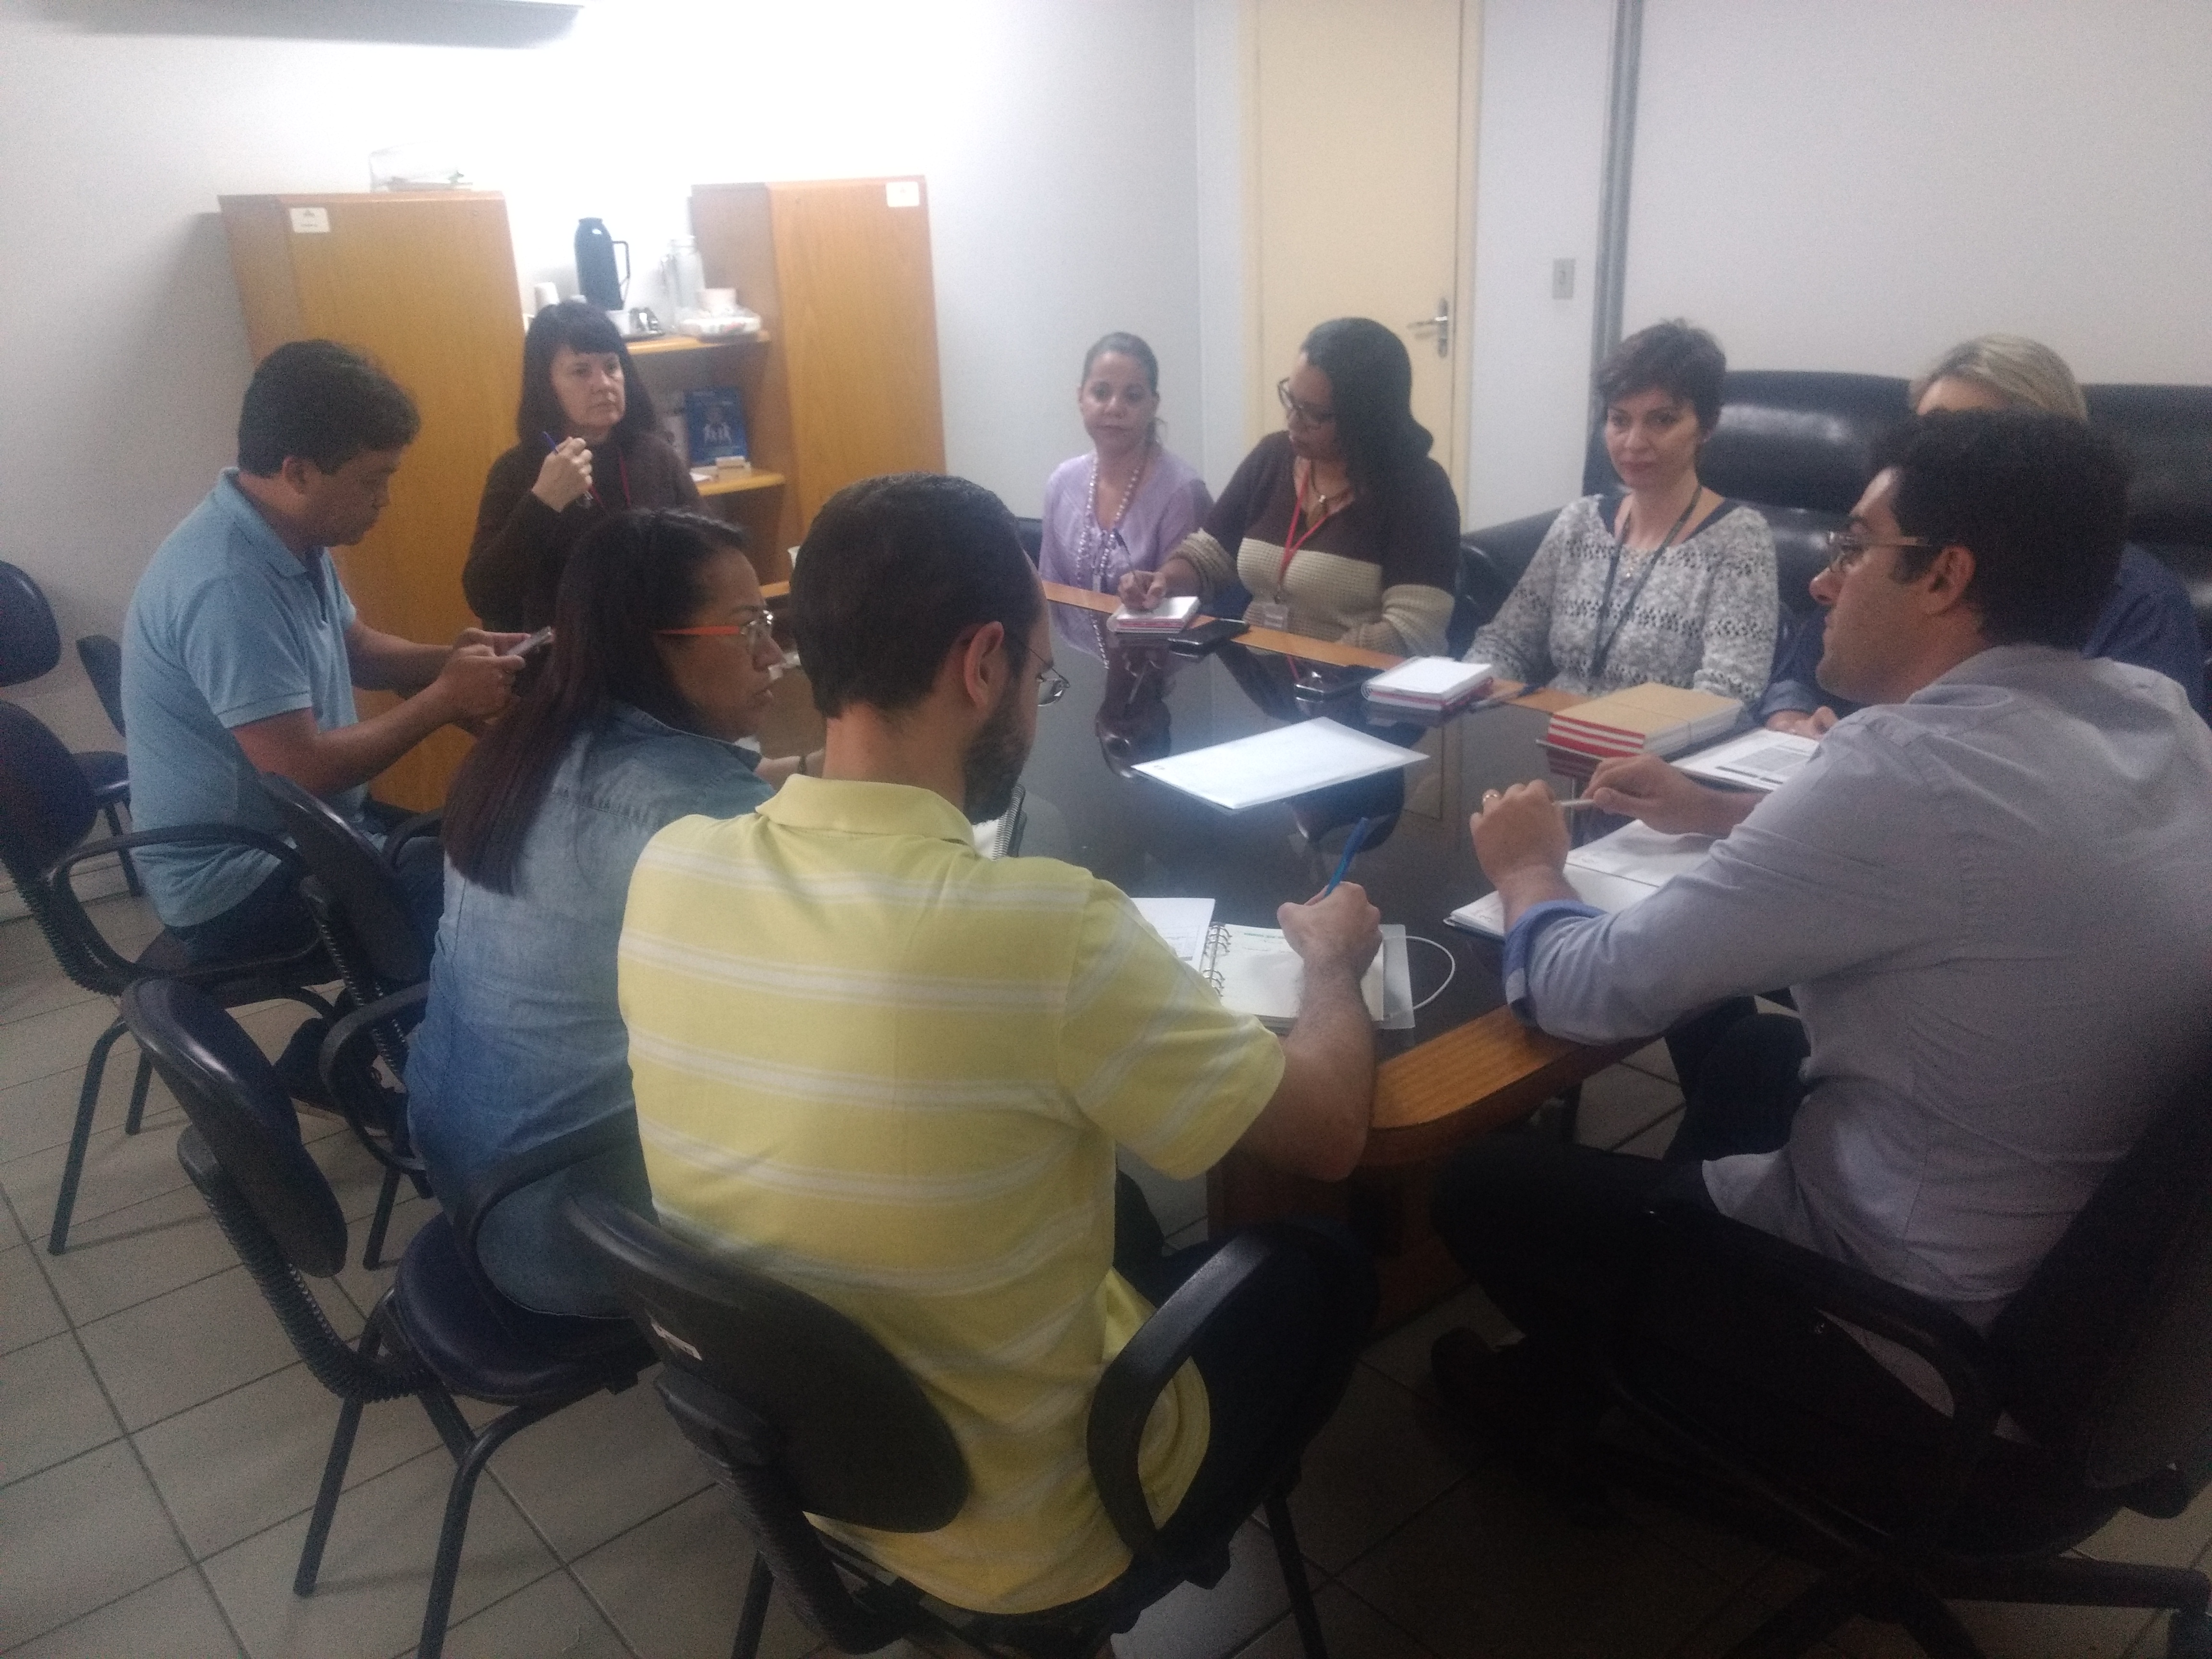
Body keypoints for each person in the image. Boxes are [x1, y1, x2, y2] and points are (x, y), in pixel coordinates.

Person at [620, 472, 1381, 1615]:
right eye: (1038, 673)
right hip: (1041, 1529)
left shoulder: (670, 866)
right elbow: (1326, 1130)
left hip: (812, 1466)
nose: (1034, 698)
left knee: (1101, 1213)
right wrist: (1330, 962)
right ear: (982, 664)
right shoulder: (1044, 927)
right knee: (1324, 1260)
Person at [1431, 409, 2212, 1459]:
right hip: (2098, 1290)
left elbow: (1590, 991)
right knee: (1755, 1047)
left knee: (1481, 1182)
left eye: (1853, 549)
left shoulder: (1902, 770)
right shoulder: (2157, 713)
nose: (1824, 580)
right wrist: (1717, 814)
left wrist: (1529, 868)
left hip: (1920, 1344)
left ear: (1944, 577)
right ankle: (1621, 1358)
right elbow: (1985, 866)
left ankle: (1630, 1401)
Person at [408, 509, 811, 1316]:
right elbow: (820, 997)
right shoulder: (691, 824)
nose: (774, 654)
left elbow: (649, 803)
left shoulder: (530, 742)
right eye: (744, 629)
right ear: (653, 642)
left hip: (464, 1162)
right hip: (573, 1230)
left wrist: (810, 772)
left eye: (769, 620)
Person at [122, 339, 524, 969]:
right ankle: (366, 1057)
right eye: (373, 481)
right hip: (239, 883)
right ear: (299, 472)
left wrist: (453, 660)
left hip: (306, 838)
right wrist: (445, 700)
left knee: (492, 849)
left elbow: (356, 649)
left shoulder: (287, 535)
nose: (384, 501)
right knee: (501, 902)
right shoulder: (228, 582)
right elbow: (302, 770)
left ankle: (375, 1045)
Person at [1760, 334, 2205, 733]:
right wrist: (1791, 723)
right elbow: (1798, 679)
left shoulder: (2142, 603)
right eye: (1925, 432)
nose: (1930, 459)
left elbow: (2132, 772)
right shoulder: (1884, 556)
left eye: (1966, 437)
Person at [1468, 320, 1778, 706]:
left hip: (1657, 753)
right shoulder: (1579, 523)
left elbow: (1730, 690)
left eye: (1662, 420)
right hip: (1548, 736)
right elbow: (1506, 644)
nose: (1633, 443)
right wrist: (1460, 694)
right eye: (1619, 420)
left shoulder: (1740, 539)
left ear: (1707, 426)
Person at [1118, 318, 1458, 656]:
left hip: (1354, 693)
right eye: (1290, 399)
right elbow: (1208, 556)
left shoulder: (1419, 490)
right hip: (1264, 683)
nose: (1292, 421)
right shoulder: (1274, 457)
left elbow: (1414, 632)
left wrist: (1318, 666)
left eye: (1313, 414)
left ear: (1364, 418)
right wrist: (1165, 581)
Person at [462, 300, 701, 632]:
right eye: (580, 371)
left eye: (612, 367)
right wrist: (543, 503)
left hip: (654, 649)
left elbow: (707, 555)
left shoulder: (656, 455)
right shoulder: (516, 470)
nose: (603, 383)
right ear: (547, 385)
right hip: (563, 666)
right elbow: (485, 597)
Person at [1037, 332, 1212, 595]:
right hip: (1064, 638)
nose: (1114, 408)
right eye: (1101, 393)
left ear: (1153, 406)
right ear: (1081, 398)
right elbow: (1048, 594)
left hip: (1156, 637)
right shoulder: (1062, 484)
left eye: (1132, 396)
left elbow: (1182, 604)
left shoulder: (1182, 492)